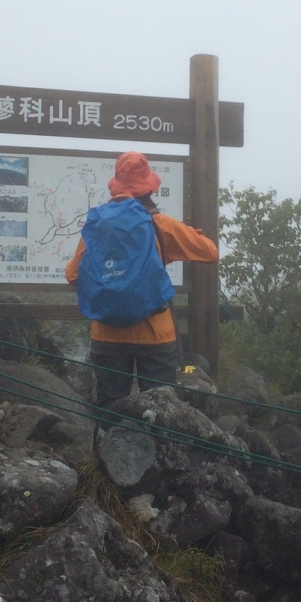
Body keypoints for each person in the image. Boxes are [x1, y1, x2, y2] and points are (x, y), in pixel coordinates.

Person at [65, 151, 218, 411]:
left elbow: (73, 275)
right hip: (156, 334)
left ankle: (109, 436)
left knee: (111, 408)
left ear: (116, 184)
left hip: (107, 332)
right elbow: (210, 252)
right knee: (161, 410)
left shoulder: (99, 224)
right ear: (149, 187)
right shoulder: (159, 224)